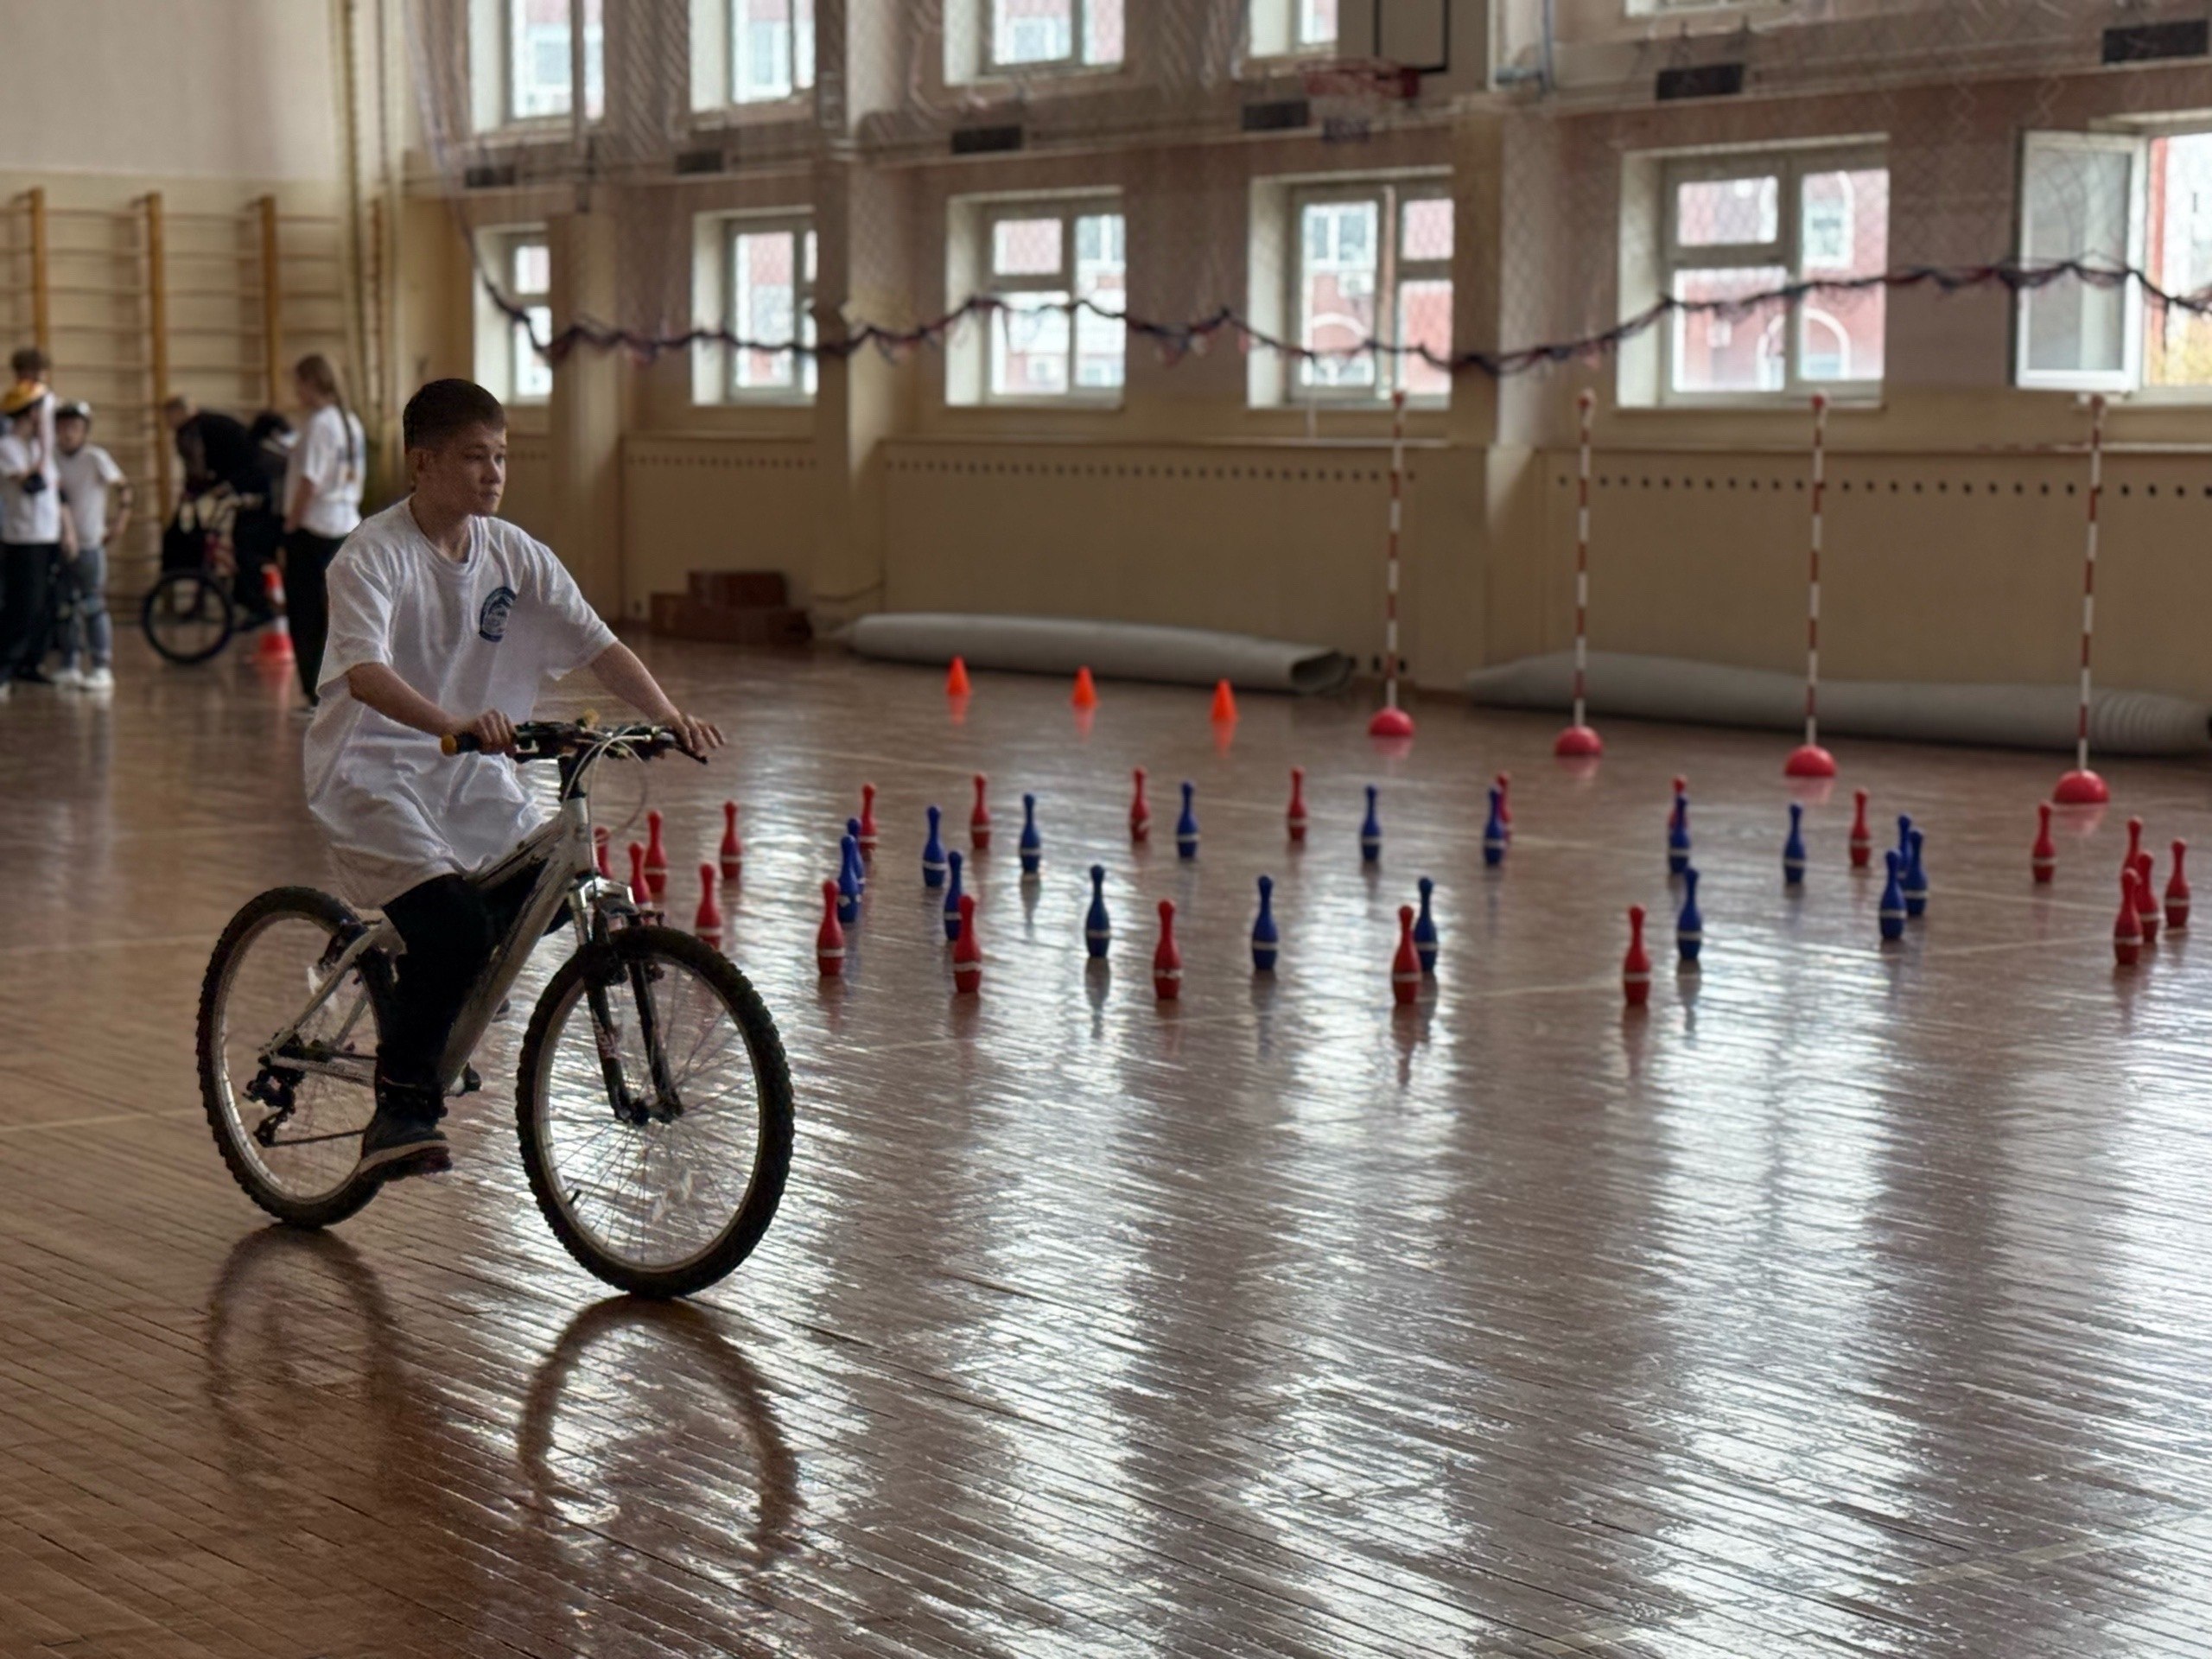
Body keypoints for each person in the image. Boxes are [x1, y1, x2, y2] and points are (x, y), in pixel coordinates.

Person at [306, 378, 722, 1180]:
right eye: (473, 458)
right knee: (459, 927)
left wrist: (667, 713)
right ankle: (401, 1101)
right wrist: (450, 725)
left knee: (545, 901)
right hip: (375, 770)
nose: (493, 474)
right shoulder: (372, 555)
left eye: (501, 457)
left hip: (470, 774)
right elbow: (363, 674)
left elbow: (597, 643)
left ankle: (421, 995)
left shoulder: (515, 552)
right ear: (423, 463)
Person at [282, 354, 365, 703]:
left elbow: (309, 481)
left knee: (306, 615)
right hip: (345, 524)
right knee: (339, 614)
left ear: (311, 383)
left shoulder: (319, 425)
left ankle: (314, 691)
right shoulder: (350, 421)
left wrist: (291, 523)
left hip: (314, 528)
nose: (296, 391)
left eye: (299, 383)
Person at [51, 402, 130, 691]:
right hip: (59, 543)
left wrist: (120, 520)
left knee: (93, 604)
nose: (68, 434)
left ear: (84, 431)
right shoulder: (52, 458)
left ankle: (101, 665)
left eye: (74, 428)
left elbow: (123, 486)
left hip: (89, 541)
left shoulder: (95, 458)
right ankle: (70, 662)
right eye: (63, 428)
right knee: (65, 606)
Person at [0, 378, 67, 690]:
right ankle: (4, 667)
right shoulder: (8, 448)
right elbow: (32, 483)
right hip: (23, 540)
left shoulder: (39, 449)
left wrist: (66, 531)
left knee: (46, 606)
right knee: (23, 606)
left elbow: (54, 495)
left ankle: (31, 662)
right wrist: (45, 440)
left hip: (48, 536)